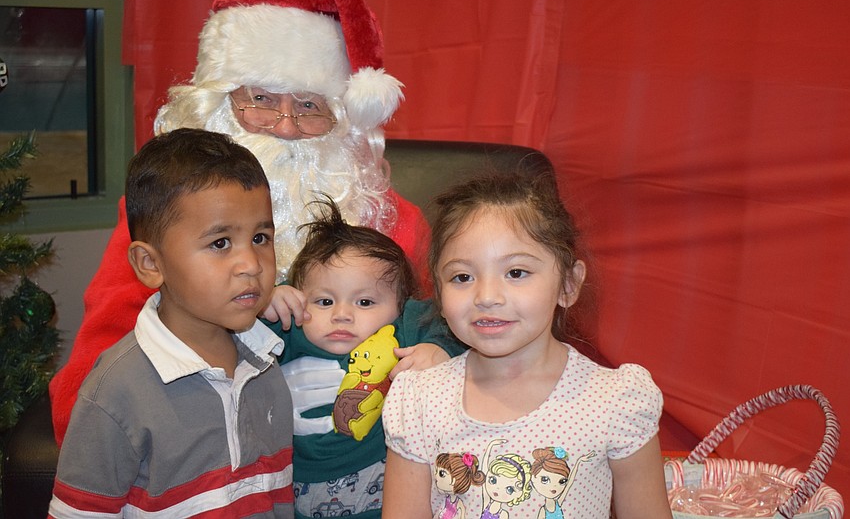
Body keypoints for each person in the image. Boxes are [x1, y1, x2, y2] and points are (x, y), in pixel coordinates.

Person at [49, 0, 431, 446]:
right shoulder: (163, 215)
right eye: (263, 99)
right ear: (219, 103)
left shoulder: (395, 223)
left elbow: (445, 350)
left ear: (343, 119)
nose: (287, 126)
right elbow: (104, 362)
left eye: (310, 106)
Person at [381, 171, 673, 518]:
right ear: (440, 295)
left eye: (516, 273)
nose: (487, 296)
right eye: (462, 277)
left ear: (568, 284)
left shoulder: (615, 402)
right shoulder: (419, 400)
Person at [48, 129, 294, 518]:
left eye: (261, 237)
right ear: (151, 264)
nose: (251, 264)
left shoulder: (266, 364)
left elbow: (279, 498)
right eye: (220, 243)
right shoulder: (115, 393)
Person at [263, 197, 464, 518]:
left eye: (365, 302)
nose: (342, 315)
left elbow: (453, 323)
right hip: (298, 486)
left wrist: (438, 348)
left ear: (400, 305)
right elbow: (231, 336)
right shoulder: (290, 326)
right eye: (325, 301)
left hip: (381, 481)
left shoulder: (402, 328)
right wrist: (266, 299)